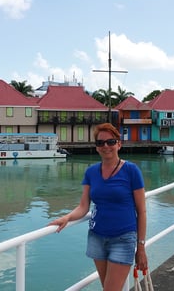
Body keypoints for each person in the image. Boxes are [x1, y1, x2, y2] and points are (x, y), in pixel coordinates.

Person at [49, 123, 148, 290]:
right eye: (100, 143)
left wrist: (141, 247)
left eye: (110, 141)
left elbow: (142, 211)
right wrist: (67, 217)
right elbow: (83, 206)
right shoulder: (91, 172)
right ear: (96, 147)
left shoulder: (131, 170)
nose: (106, 146)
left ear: (119, 144)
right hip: (97, 237)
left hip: (123, 238)